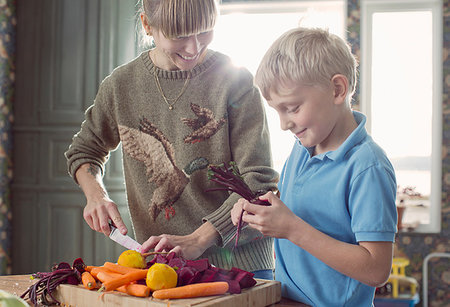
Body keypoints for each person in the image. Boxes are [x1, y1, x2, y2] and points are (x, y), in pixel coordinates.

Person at [65, 0, 278, 279]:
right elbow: (84, 151)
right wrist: (96, 195)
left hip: (241, 265)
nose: (194, 48)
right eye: (179, 36)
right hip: (162, 269)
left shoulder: (235, 81)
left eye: (205, 31)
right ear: (147, 25)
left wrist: (198, 239)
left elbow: (258, 181)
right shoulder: (121, 85)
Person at [231, 27, 397, 305]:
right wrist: (260, 211)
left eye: (293, 108)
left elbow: (377, 270)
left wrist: (292, 229)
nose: (284, 124)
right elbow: (304, 212)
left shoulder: (368, 167)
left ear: (337, 89)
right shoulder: (300, 150)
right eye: (277, 111)